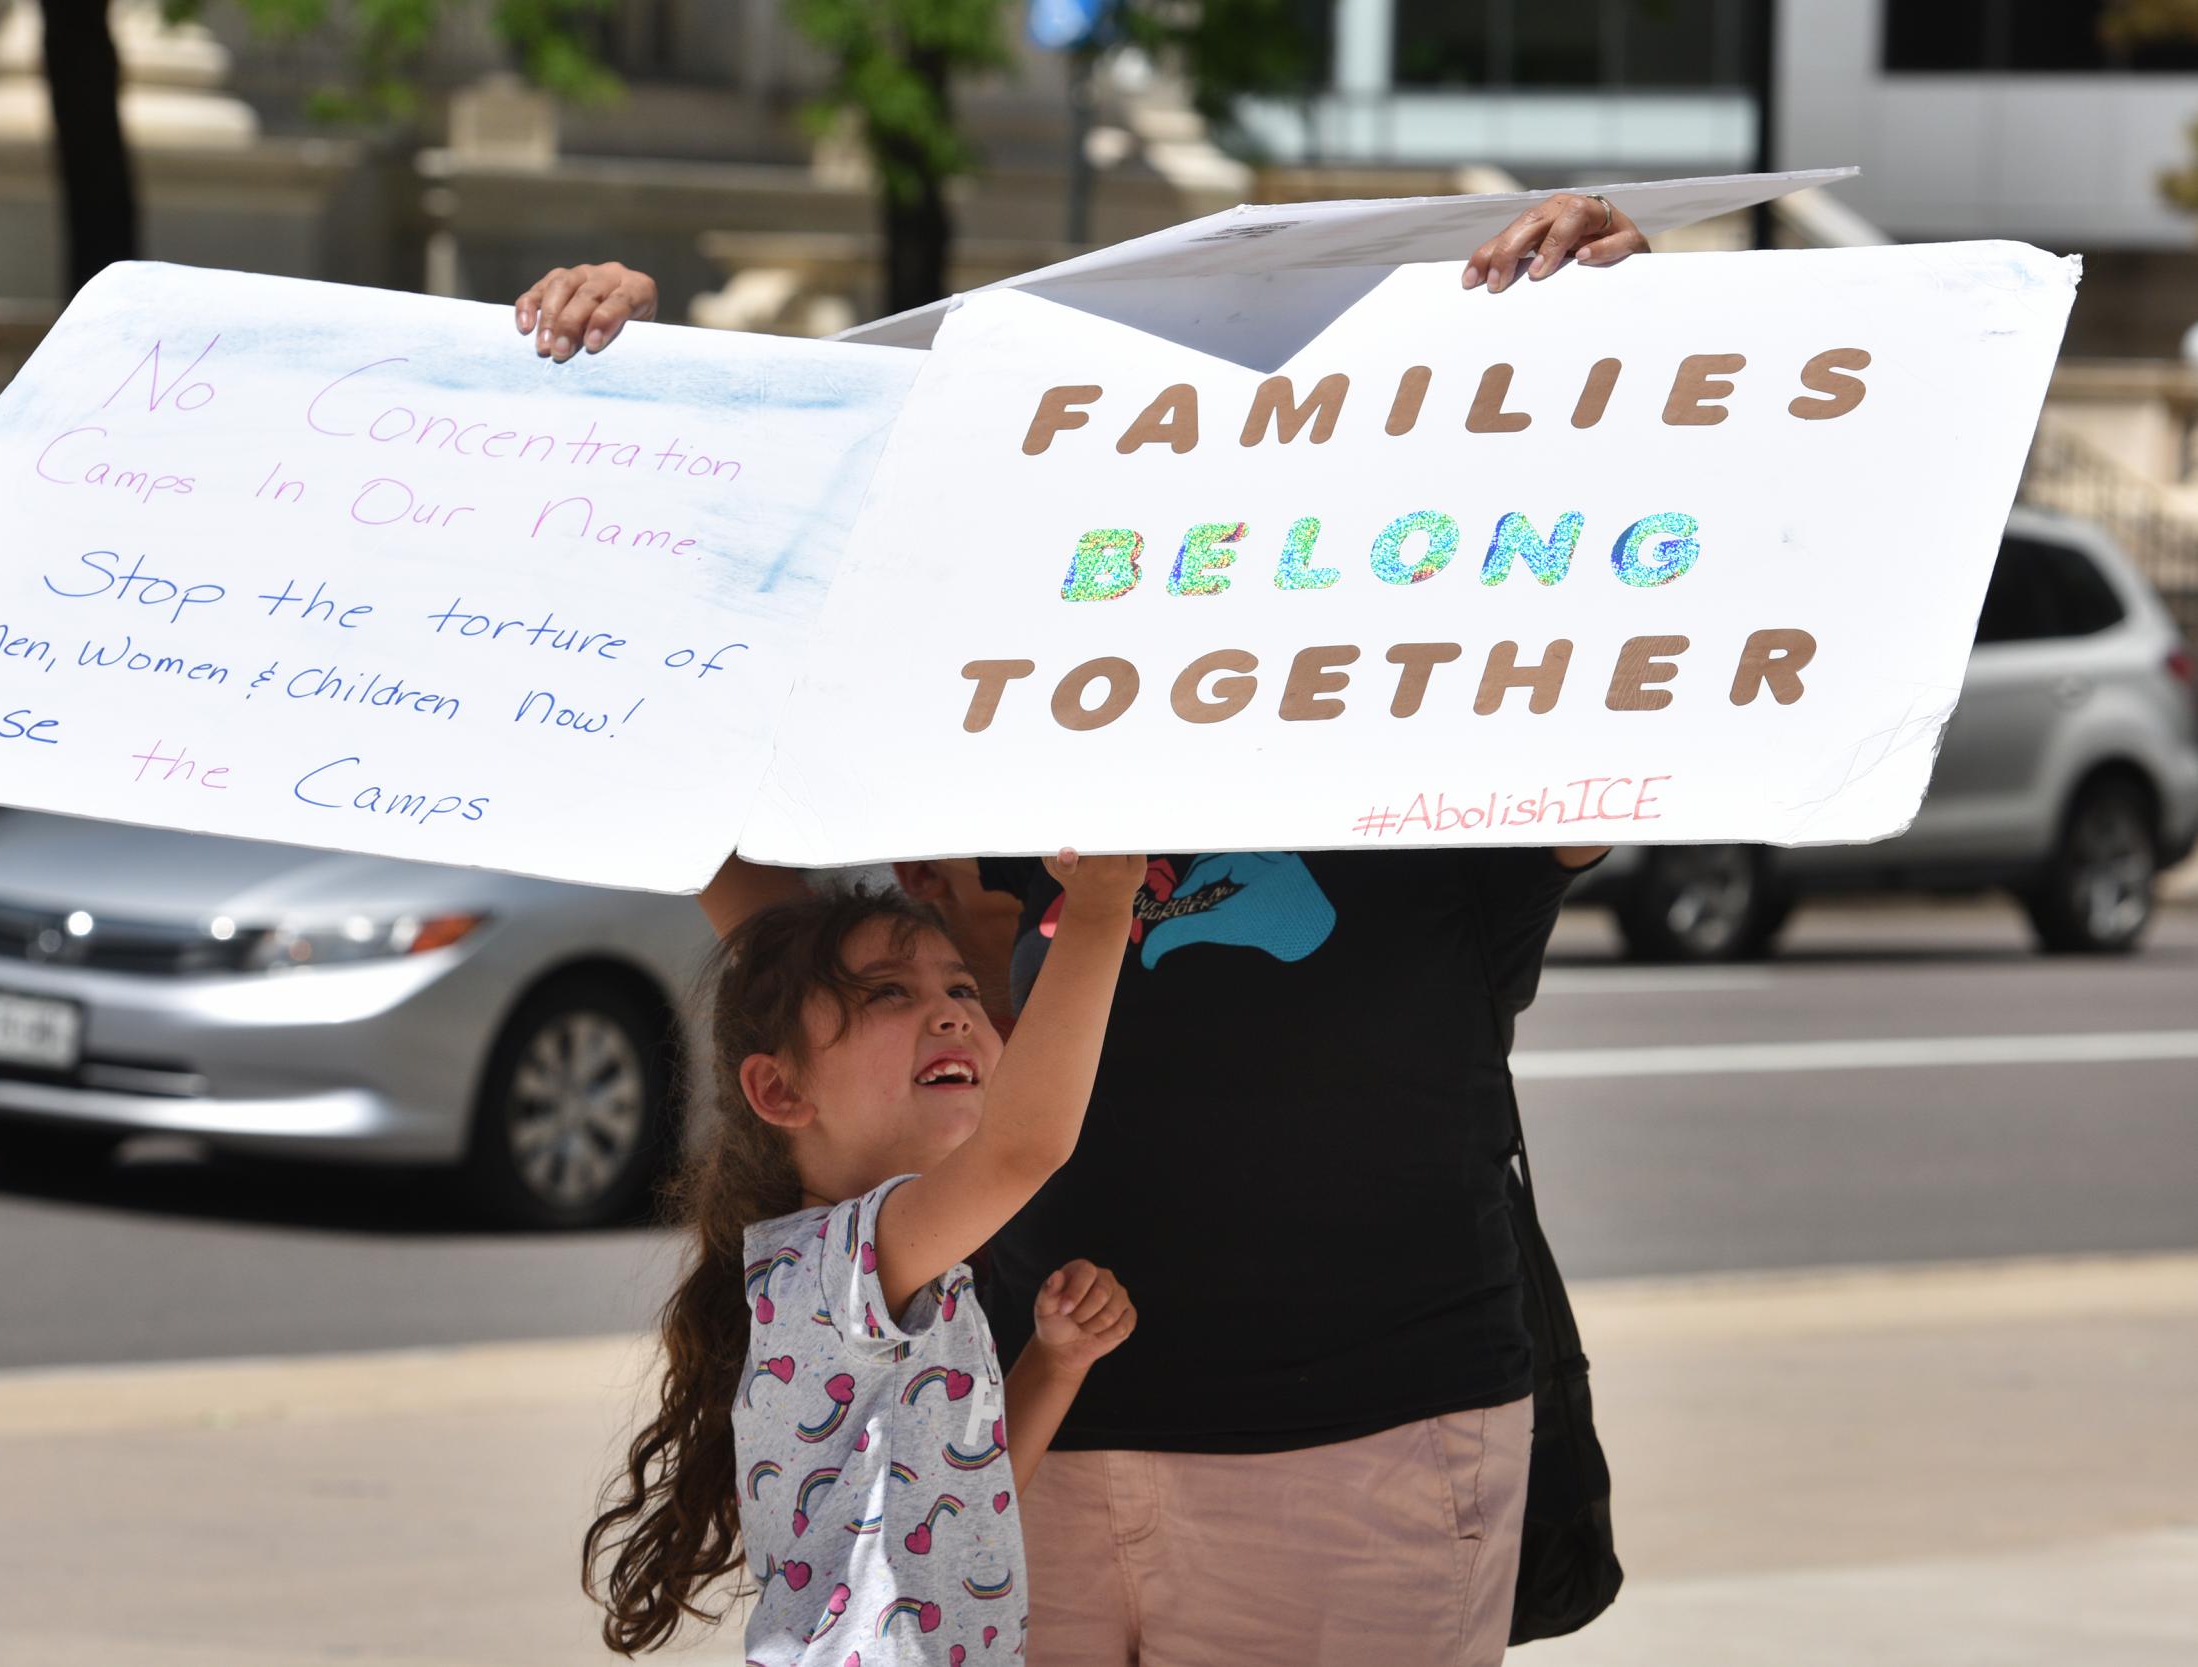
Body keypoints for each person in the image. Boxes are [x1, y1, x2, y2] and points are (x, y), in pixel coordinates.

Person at [538, 190, 1648, 1667]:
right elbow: (691, 789)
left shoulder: (1426, 749)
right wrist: (636, 412)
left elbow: (1667, 647)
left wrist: (1631, 344)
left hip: (1367, 1456)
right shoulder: (989, 761)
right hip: (1009, 1471)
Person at [583, 858, 1147, 1664]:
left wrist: (1055, 1365)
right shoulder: (831, 1266)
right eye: (889, 992)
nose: (952, 1014)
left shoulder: (897, 1274)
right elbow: (1022, 1148)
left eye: (961, 989)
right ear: (780, 1091)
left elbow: (966, 1491)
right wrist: (1097, 905)